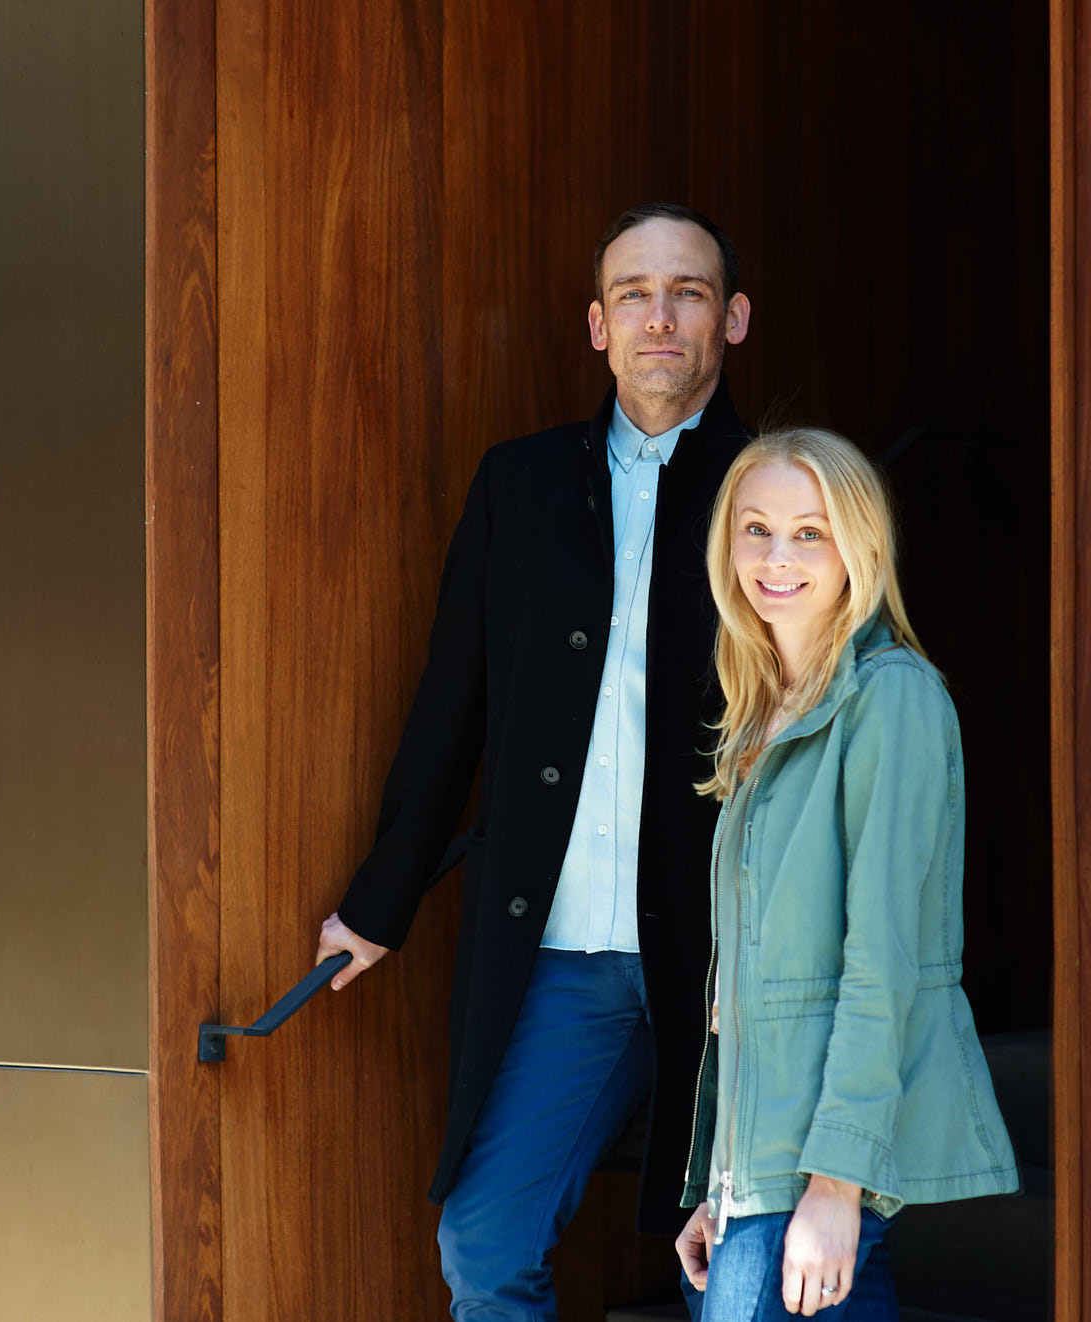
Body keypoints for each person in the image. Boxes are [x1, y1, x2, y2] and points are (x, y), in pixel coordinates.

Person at [313, 203, 754, 1318]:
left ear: (732, 319)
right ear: (595, 326)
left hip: (734, 964)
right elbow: (449, 705)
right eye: (633, 295)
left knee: (740, 1273)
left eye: (688, 292)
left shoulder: (781, 488)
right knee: (483, 1238)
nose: (660, 317)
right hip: (566, 958)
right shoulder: (518, 483)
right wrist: (380, 900)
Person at [674, 429, 1019, 1319]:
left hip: (813, 1176)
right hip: (759, 1177)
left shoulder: (890, 697)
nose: (776, 557)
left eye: (809, 532)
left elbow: (882, 962)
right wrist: (721, 1175)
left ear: (856, 546)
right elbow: (752, 982)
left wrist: (838, 1184)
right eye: (756, 529)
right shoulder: (765, 706)